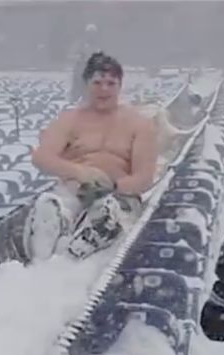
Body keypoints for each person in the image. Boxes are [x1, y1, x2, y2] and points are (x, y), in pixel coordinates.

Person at [25, 52, 159, 261]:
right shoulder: (69, 119)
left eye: (110, 83)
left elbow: (144, 178)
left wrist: (112, 186)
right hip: (73, 192)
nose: (103, 89)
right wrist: (80, 173)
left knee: (108, 212)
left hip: (119, 198)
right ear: (86, 84)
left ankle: (69, 260)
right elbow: (42, 158)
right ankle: (40, 263)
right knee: (48, 206)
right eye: (97, 82)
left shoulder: (139, 124)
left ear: (120, 86)